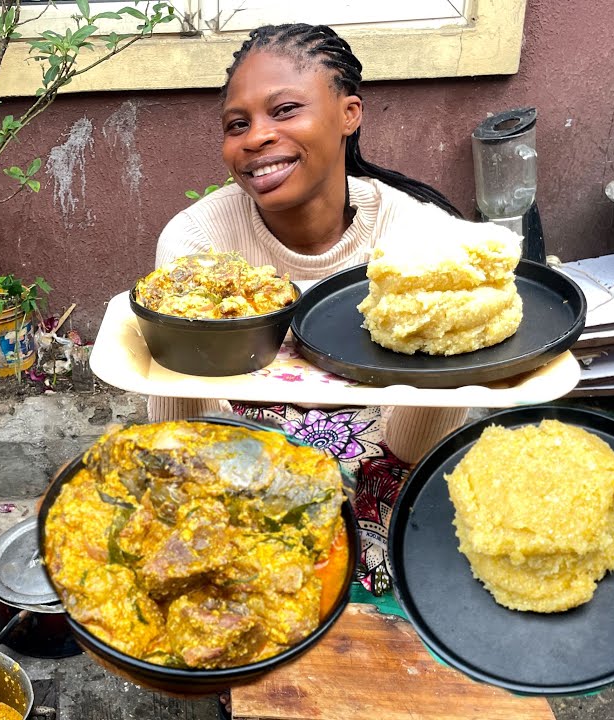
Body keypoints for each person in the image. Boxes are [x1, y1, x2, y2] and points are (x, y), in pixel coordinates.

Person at [150, 23, 494, 596]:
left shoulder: (420, 238)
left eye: (284, 110)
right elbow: (185, 425)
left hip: (390, 450)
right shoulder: (196, 244)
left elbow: (425, 431)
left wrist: (369, 489)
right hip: (240, 453)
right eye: (238, 124)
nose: (257, 137)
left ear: (349, 113)